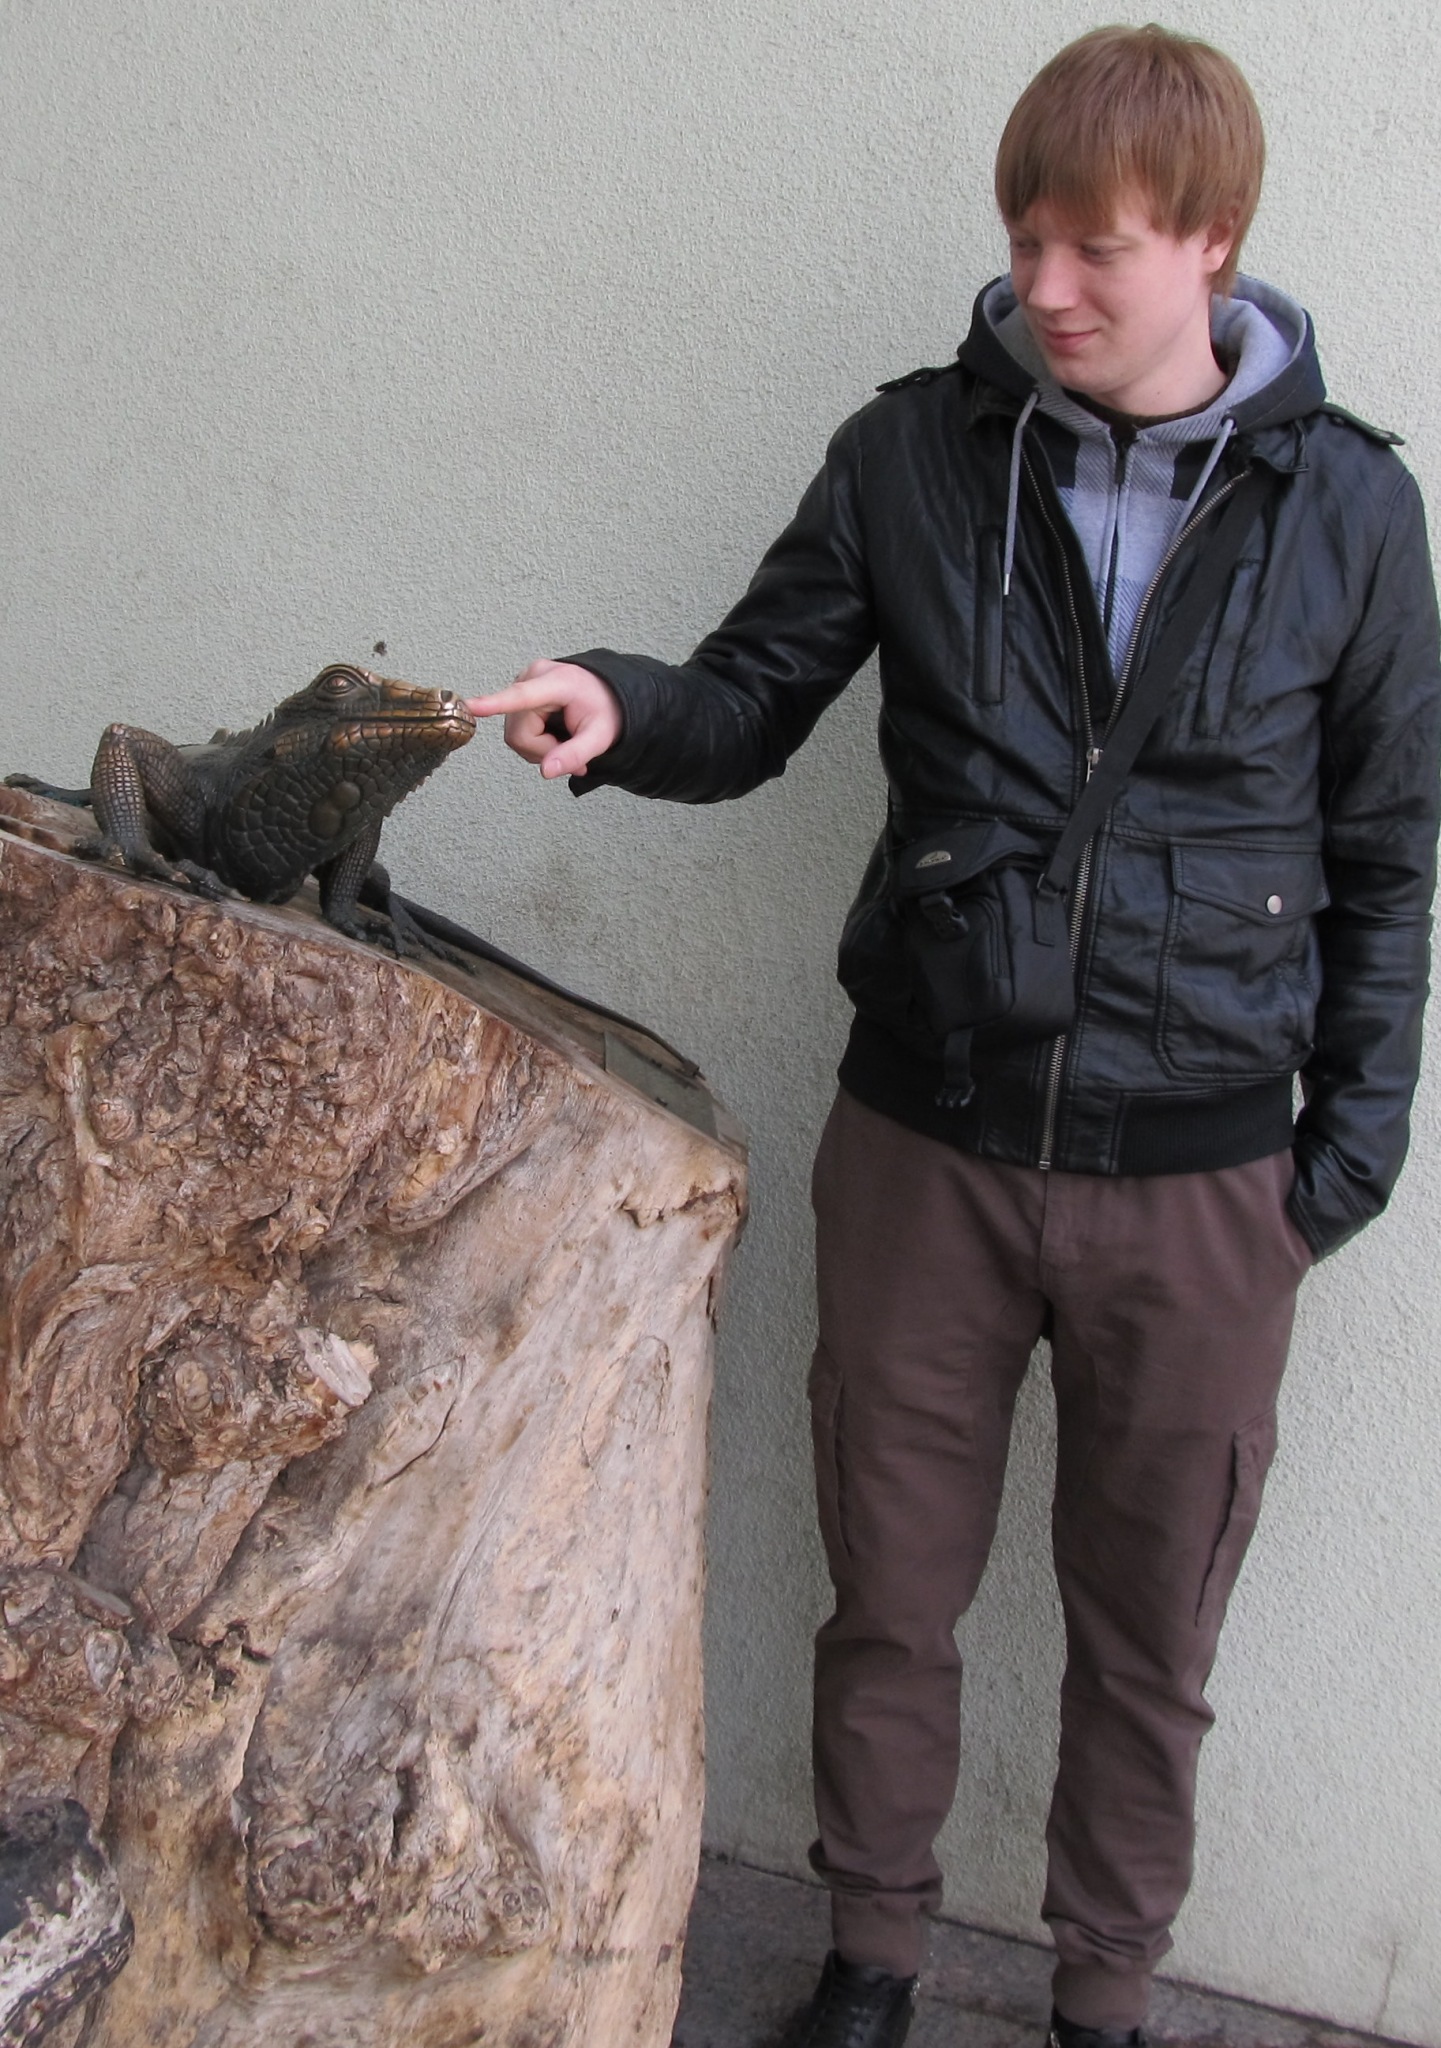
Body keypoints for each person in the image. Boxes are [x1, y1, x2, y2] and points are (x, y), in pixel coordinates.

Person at [467, 26, 1441, 2048]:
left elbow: (1385, 853)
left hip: (1204, 1184)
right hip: (927, 1144)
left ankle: (1104, 1994)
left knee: (1148, 1641)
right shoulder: (911, 453)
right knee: (889, 1598)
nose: (1044, 286)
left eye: (1096, 246)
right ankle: (873, 1958)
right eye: (1023, 238)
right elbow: (753, 695)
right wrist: (624, 708)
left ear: (1214, 241)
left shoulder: (1347, 508)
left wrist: (1332, 1167)